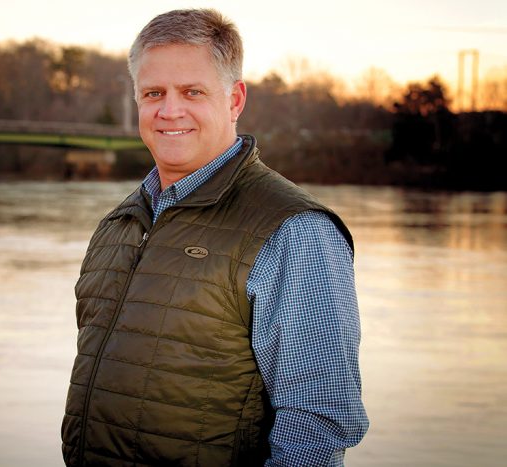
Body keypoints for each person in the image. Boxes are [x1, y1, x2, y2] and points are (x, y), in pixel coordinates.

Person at [61, 8, 368, 466]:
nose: (169, 110)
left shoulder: (294, 230)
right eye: (153, 93)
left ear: (235, 99)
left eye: (192, 92)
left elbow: (316, 429)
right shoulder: (119, 223)